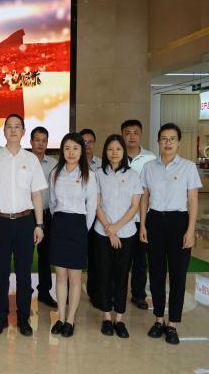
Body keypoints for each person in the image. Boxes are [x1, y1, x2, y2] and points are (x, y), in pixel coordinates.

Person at [140, 123, 201, 345]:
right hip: (155, 221)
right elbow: (144, 198)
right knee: (156, 273)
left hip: (179, 222)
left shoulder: (188, 167)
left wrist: (190, 230)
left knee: (178, 275)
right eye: (164, 139)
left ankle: (173, 323)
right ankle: (159, 319)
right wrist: (143, 225)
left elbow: (193, 200)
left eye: (172, 139)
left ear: (178, 142)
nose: (168, 143)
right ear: (158, 142)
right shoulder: (149, 167)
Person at [0, 114, 46, 337]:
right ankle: (0, 316)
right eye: (9, 127)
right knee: (0, 273)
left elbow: (36, 194)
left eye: (17, 127)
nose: (13, 130)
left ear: (23, 132)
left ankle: (23, 318)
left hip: (25, 222)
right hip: (0, 222)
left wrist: (39, 224)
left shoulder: (31, 160)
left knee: (24, 273)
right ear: (4, 131)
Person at [93, 135, 142, 338]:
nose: (114, 153)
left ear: (124, 152)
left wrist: (116, 228)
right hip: (102, 232)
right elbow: (96, 205)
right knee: (104, 275)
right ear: (105, 152)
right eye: (110, 149)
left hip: (127, 233)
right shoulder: (98, 174)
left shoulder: (133, 175)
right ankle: (106, 316)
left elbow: (135, 206)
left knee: (122, 276)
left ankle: (119, 318)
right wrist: (109, 228)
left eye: (118, 149)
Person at [49, 132, 97, 337]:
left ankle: (70, 320)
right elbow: (52, 203)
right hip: (59, 225)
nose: (71, 152)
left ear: (81, 151)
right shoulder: (55, 173)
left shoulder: (89, 175)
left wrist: (82, 230)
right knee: (60, 276)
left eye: (75, 148)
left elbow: (92, 207)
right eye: (67, 148)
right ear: (62, 150)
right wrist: (60, 222)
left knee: (75, 278)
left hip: (78, 226)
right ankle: (60, 317)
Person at [121, 119, 156, 310]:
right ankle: (117, 293)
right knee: (121, 260)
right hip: (121, 218)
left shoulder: (150, 158)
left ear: (141, 135)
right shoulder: (116, 155)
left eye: (135, 132)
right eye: (127, 133)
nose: (132, 136)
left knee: (141, 260)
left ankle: (139, 295)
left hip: (143, 218)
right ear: (122, 135)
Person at [30, 126, 58, 308]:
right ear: (31, 142)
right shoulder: (24, 160)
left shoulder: (54, 163)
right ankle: (25, 291)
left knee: (45, 255)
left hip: (47, 214)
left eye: (44, 140)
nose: (40, 144)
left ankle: (44, 292)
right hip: (27, 214)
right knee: (24, 254)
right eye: (37, 140)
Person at [79, 128, 101, 307]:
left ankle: (94, 291)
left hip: (97, 217)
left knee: (95, 257)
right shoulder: (71, 163)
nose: (87, 145)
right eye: (83, 142)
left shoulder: (101, 164)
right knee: (76, 258)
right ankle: (71, 292)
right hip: (77, 218)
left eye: (90, 142)